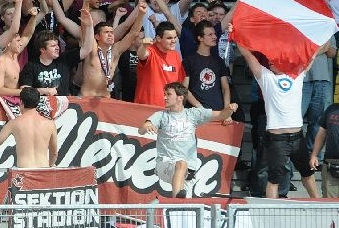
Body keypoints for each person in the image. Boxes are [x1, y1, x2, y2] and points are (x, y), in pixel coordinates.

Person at [236, 38, 321, 199]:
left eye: (275, 59)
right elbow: (248, 56)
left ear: (285, 61)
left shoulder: (297, 74)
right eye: (270, 60)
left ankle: (318, 203)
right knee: (274, 179)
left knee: (307, 173)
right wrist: (237, 36)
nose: (270, 62)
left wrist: (322, 34)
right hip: (277, 139)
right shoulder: (266, 77)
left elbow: (313, 55)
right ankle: (272, 210)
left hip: (297, 137)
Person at [139, 82, 237, 197]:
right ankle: (176, 201)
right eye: (164, 94)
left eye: (168, 94)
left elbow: (221, 115)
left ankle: (178, 204)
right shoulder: (161, 115)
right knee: (181, 164)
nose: (165, 97)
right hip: (165, 163)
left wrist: (231, 108)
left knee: (185, 207)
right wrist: (147, 126)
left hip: (188, 171)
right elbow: (141, 129)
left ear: (180, 98)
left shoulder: (193, 114)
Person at [134, 21, 182, 107]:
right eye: (169, 38)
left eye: (175, 37)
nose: (174, 41)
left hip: (168, 110)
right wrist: (144, 46)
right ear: (159, 39)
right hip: (147, 108)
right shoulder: (150, 51)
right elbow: (141, 55)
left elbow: (179, 83)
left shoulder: (175, 55)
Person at [310, 101, 339, 198]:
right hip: (331, 166)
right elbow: (322, 133)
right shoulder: (331, 109)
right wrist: (314, 155)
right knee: (329, 207)